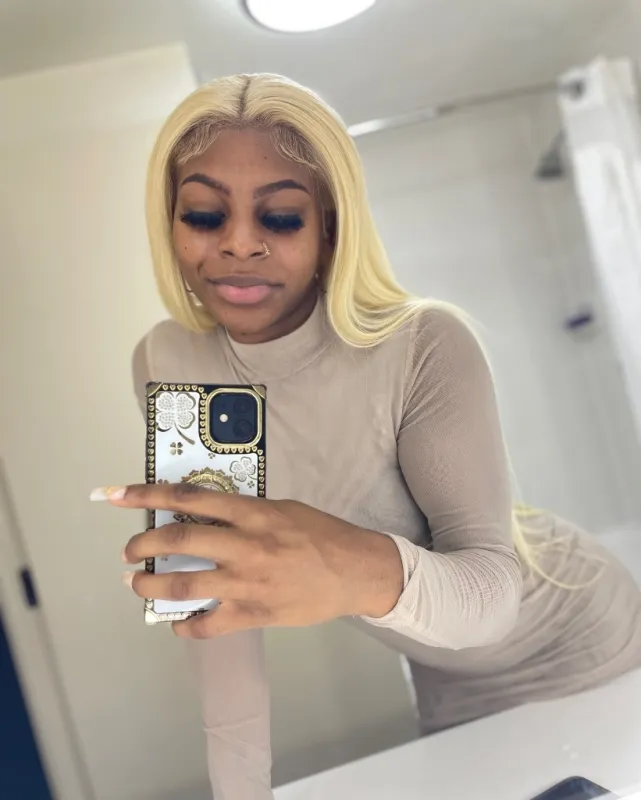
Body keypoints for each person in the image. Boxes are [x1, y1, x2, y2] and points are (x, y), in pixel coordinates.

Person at [92, 74, 641, 799]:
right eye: (202, 214)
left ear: (330, 229)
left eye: (280, 218)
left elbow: (490, 589)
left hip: (583, 639)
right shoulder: (171, 363)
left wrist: (345, 566)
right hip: (448, 680)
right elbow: (213, 606)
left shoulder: (420, 342)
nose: (239, 244)